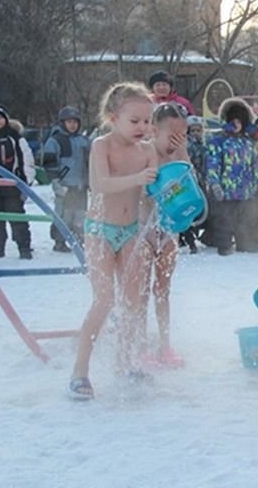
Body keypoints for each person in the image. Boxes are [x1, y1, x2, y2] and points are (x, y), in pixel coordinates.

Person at [68, 82, 158, 400]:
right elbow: (100, 184)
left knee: (134, 301)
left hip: (131, 230)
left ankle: (125, 361)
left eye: (147, 121)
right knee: (104, 300)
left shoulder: (148, 150)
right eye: (135, 121)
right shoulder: (101, 146)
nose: (143, 128)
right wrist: (138, 179)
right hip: (100, 231)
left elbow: (152, 194)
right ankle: (80, 371)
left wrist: (168, 195)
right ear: (112, 116)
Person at [139, 102, 190, 368]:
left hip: (167, 230)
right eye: (172, 135)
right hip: (141, 229)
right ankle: (141, 344)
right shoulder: (144, 151)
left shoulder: (178, 155)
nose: (176, 140)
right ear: (154, 130)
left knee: (163, 289)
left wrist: (181, 151)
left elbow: (189, 185)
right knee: (140, 291)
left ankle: (164, 344)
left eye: (182, 135)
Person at [0, 105, 36, 259]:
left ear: (6, 120)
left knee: (17, 217)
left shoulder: (15, 137)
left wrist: (26, 182)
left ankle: (24, 247)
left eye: (1, 117)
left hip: (12, 187)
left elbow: (27, 160)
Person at [205, 98, 258, 255]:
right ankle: (224, 244)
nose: (236, 124)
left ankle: (245, 242)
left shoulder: (248, 143)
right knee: (225, 219)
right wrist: (215, 183)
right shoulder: (218, 142)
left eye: (240, 121)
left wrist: (254, 184)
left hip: (244, 192)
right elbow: (213, 164)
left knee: (244, 220)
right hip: (225, 191)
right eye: (233, 120)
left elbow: (255, 166)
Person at [41, 106, 90, 252]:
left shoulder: (84, 141)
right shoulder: (55, 141)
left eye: (75, 122)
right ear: (62, 123)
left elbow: (90, 163)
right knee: (63, 215)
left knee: (80, 214)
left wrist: (90, 181)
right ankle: (59, 240)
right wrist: (56, 183)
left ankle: (80, 240)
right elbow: (49, 164)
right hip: (64, 185)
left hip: (80, 185)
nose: (72, 125)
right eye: (69, 121)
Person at [179, 115, 206, 254]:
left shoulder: (201, 144)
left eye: (198, 130)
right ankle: (188, 239)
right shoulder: (187, 144)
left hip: (199, 180)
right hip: (189, 181)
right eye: (193, 130)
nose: (196, 133)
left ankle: (191, 236)